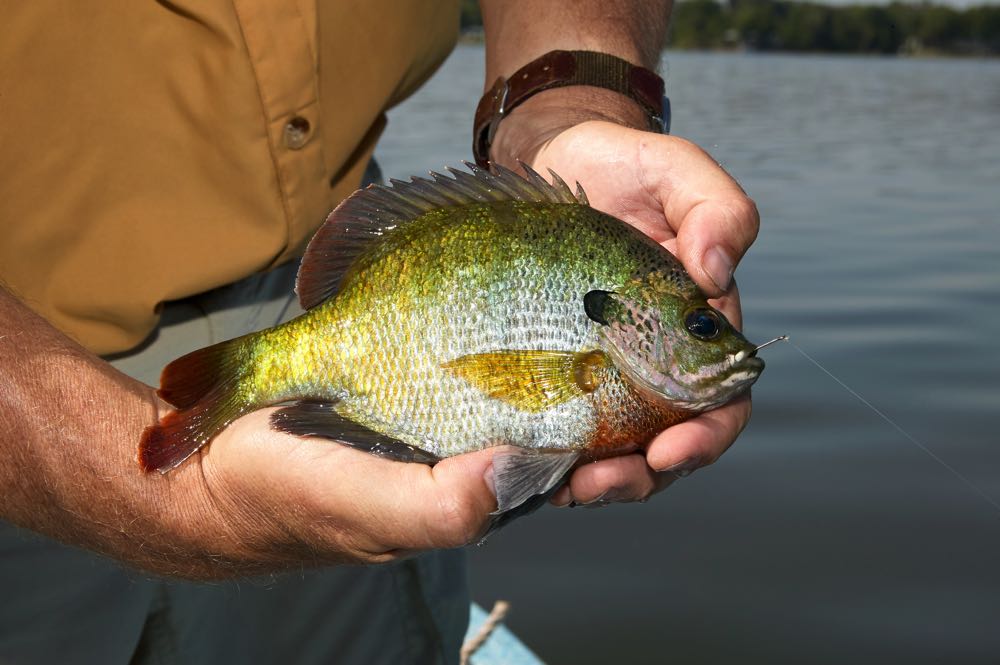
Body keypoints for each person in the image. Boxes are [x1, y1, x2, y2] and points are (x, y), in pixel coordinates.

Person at [0, 1, 759, 663]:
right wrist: (190, 500)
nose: (713, 343)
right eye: (696, 328)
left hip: (324, 266)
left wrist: (568, 103)